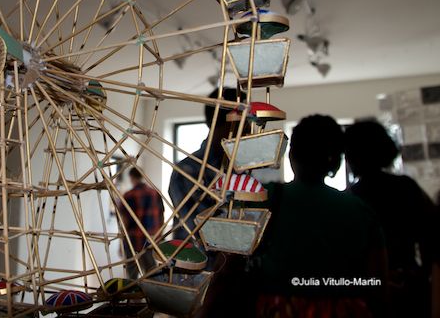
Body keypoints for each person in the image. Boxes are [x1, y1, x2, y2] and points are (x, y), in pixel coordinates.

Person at [251, 115, 387, 318]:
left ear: (291, 155)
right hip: (344, 310)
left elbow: (232, 262)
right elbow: (378, 282)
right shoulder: (359, 209)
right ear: (335, 159)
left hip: (280, 309)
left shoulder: (265, 199)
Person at [345, 121, 434, 317]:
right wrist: (423, 274)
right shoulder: (407, 187)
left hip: (367, 290)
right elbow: (431, 237)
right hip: (409, 285)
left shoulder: (350, 198)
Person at [168, 87, 240, 240]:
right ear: (229, 121)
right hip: (204, 262)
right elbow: (205, 231)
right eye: (244, 122)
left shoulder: (240, 167)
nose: (249, 131)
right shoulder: (188, 171)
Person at [119, 167, 164, 278]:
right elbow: (161, 215)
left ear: (131, 177)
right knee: (151, 273)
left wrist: (121, 243)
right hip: (150, 239)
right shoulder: (155, 193)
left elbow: (125, 221)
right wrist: (160, 236)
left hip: (132, 240)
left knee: (132, 275)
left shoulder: (128, 195)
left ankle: (133, 294)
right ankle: (151, 295)